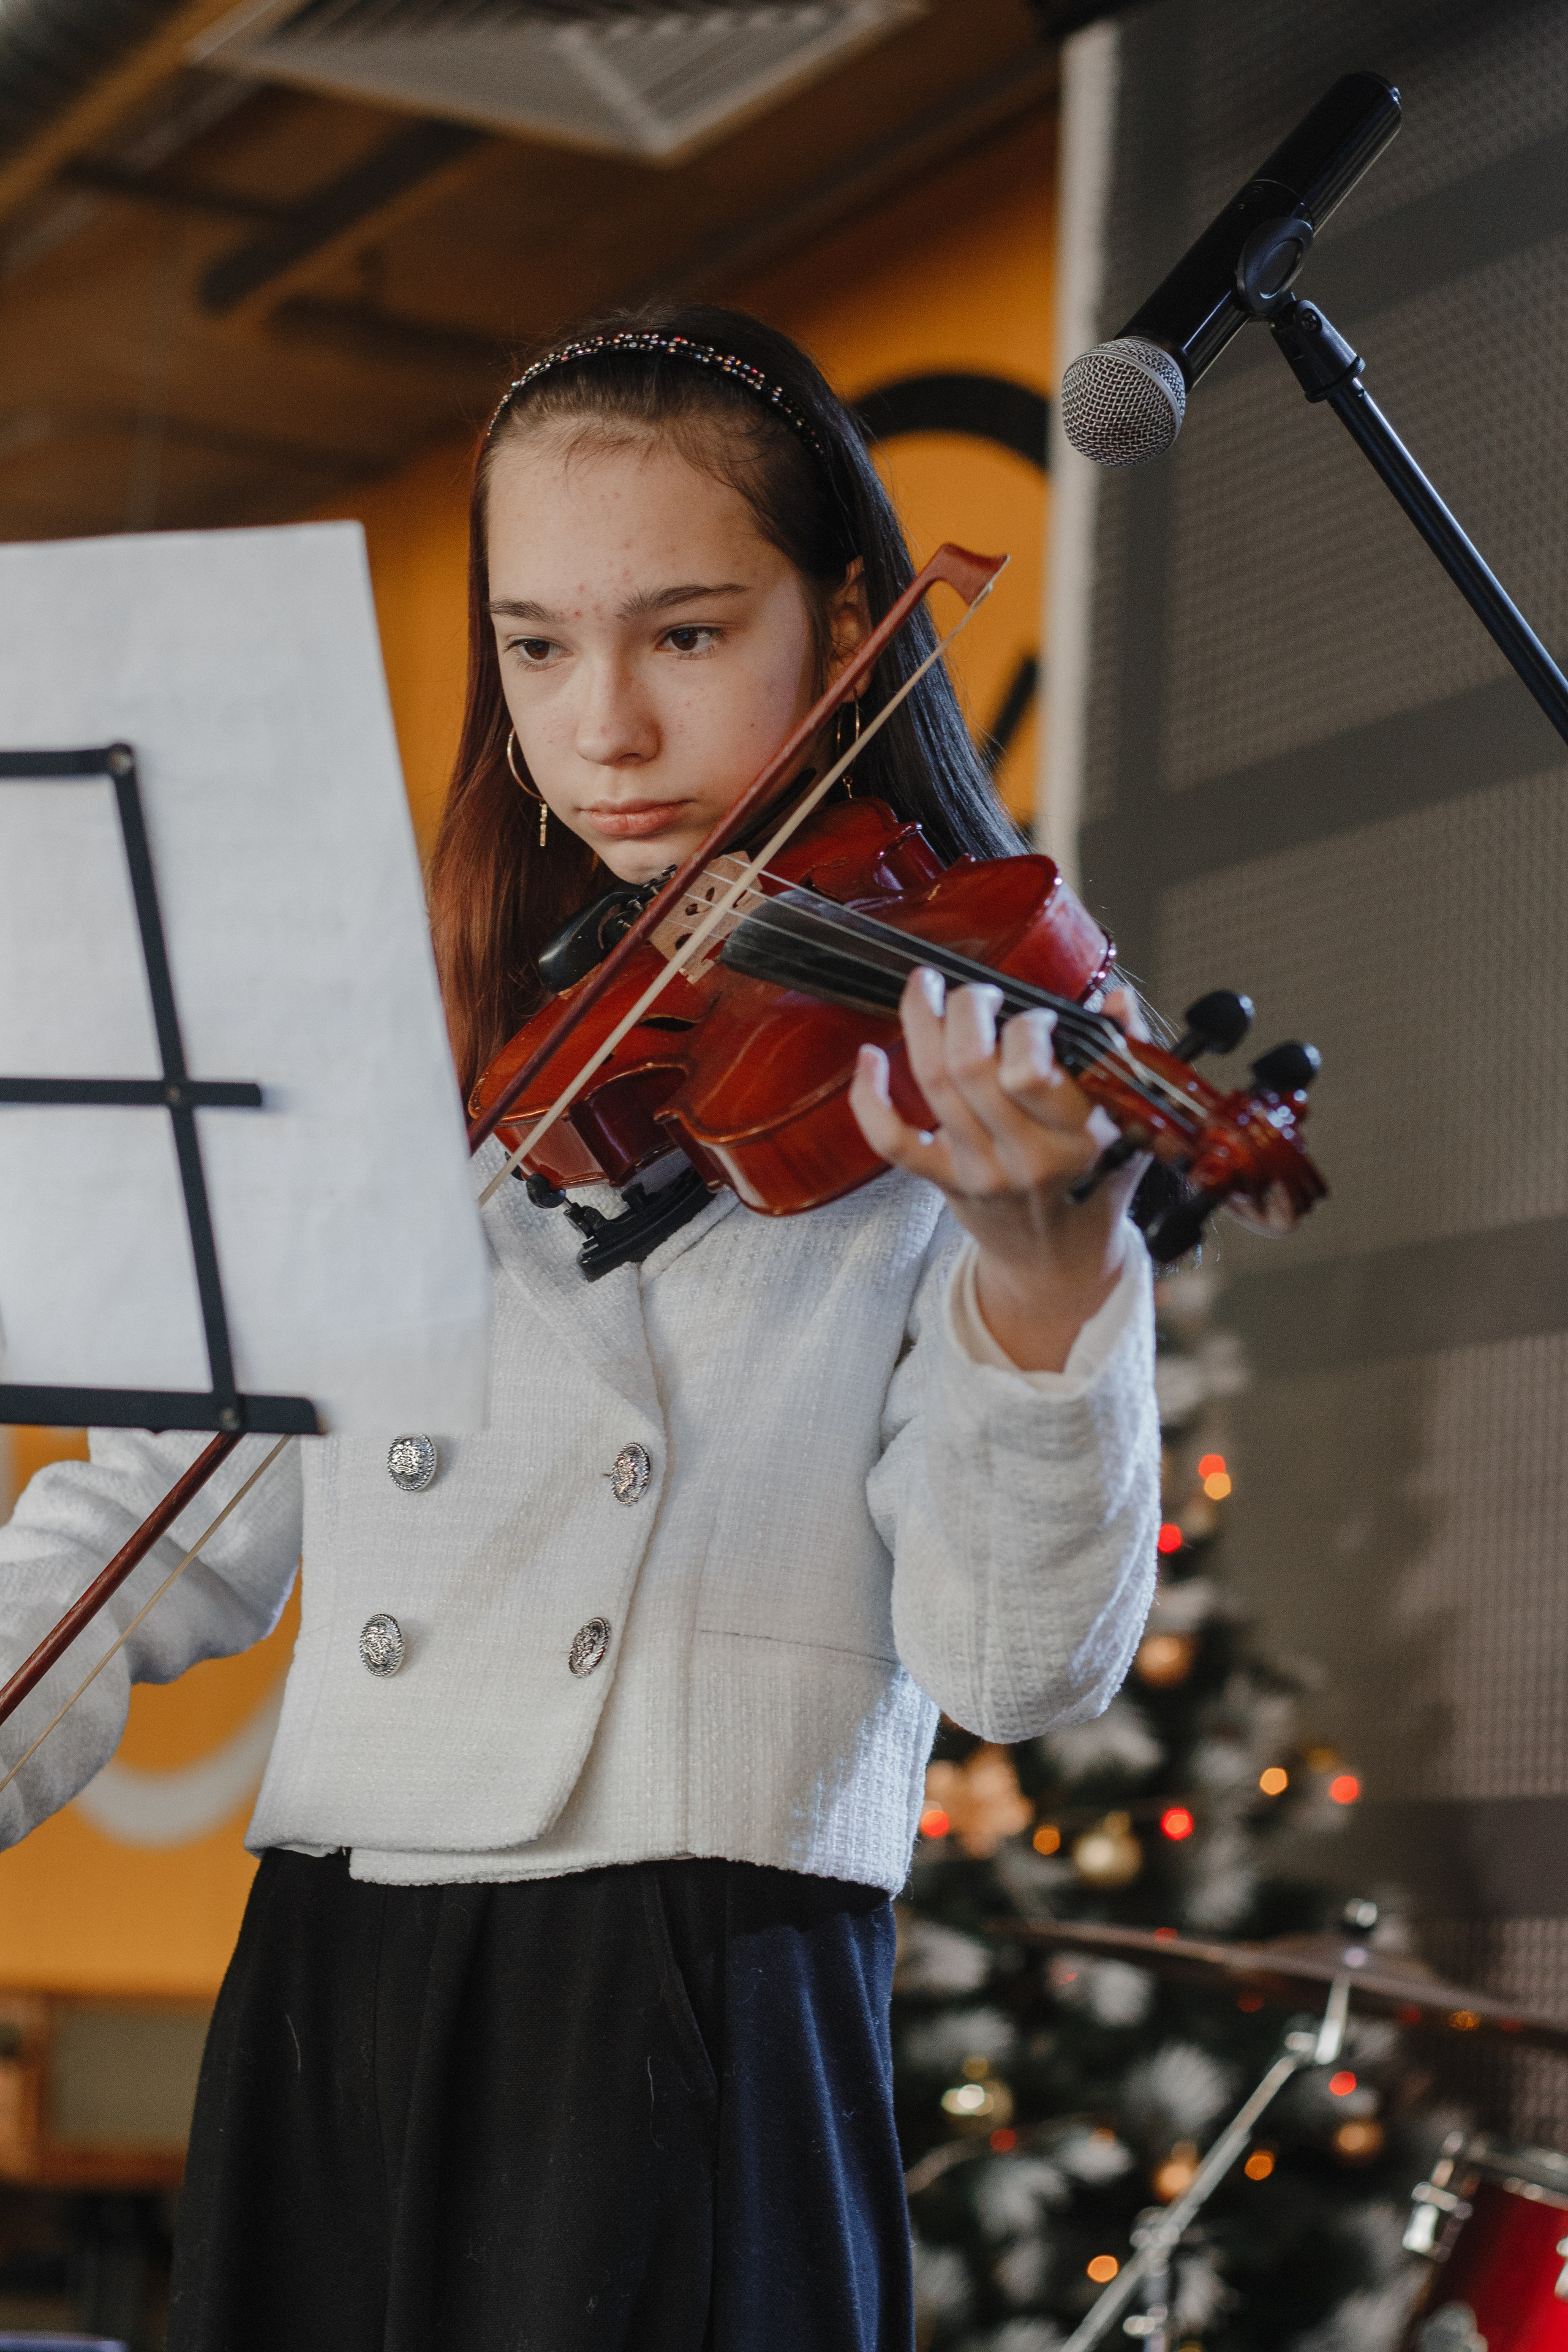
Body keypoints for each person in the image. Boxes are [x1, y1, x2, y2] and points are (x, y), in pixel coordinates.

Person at [0, 304, 1159, 2352]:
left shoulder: (969, 1078)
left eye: (687, 635)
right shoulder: (421, 1040)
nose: (600, 726)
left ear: (850, 620)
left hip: (701, 1990)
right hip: (337, 1985)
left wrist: (1041, 1282)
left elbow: (1012, 1667)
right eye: (536, 645)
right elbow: (155, 1530)